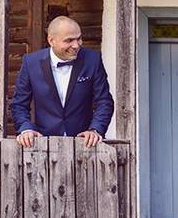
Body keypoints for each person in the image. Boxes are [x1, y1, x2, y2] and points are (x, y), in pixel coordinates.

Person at [11, 16, 114, 148]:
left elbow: (104, 101)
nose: (76, 45)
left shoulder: (93, 60)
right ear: (51, 40)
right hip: (43, 146)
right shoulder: (31, 63)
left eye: (79, 38)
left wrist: (95, 130)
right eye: (69, 40)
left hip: (84, 146)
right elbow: (19, 104)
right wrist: (26, 129)